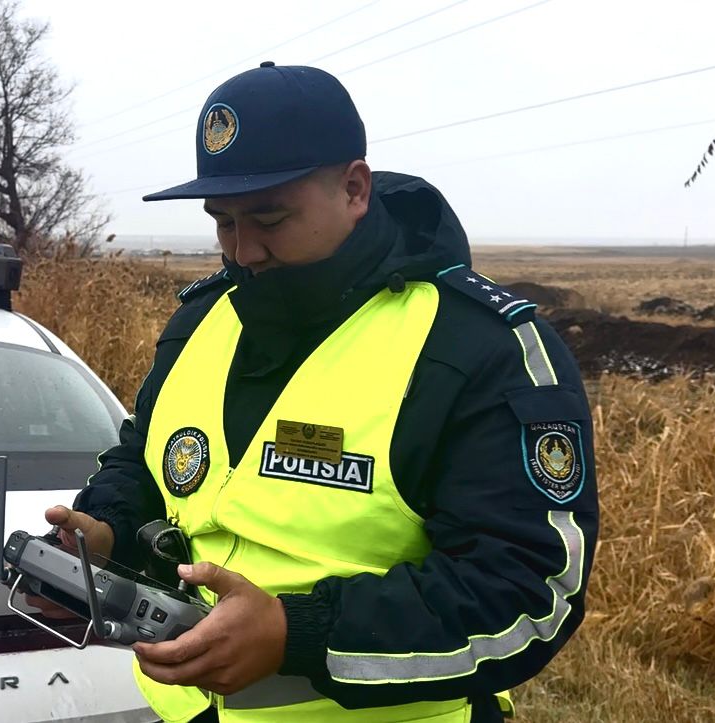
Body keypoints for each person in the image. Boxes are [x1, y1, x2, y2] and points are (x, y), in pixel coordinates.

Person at [38, 62, 598, 723]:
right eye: (222, 221)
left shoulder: (477, 348)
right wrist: (105, 528)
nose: (243, 250)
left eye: (269, 218)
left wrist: (296, 632)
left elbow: (528, 589)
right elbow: (147, 456)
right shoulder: (201, 319)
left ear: (355, 188)